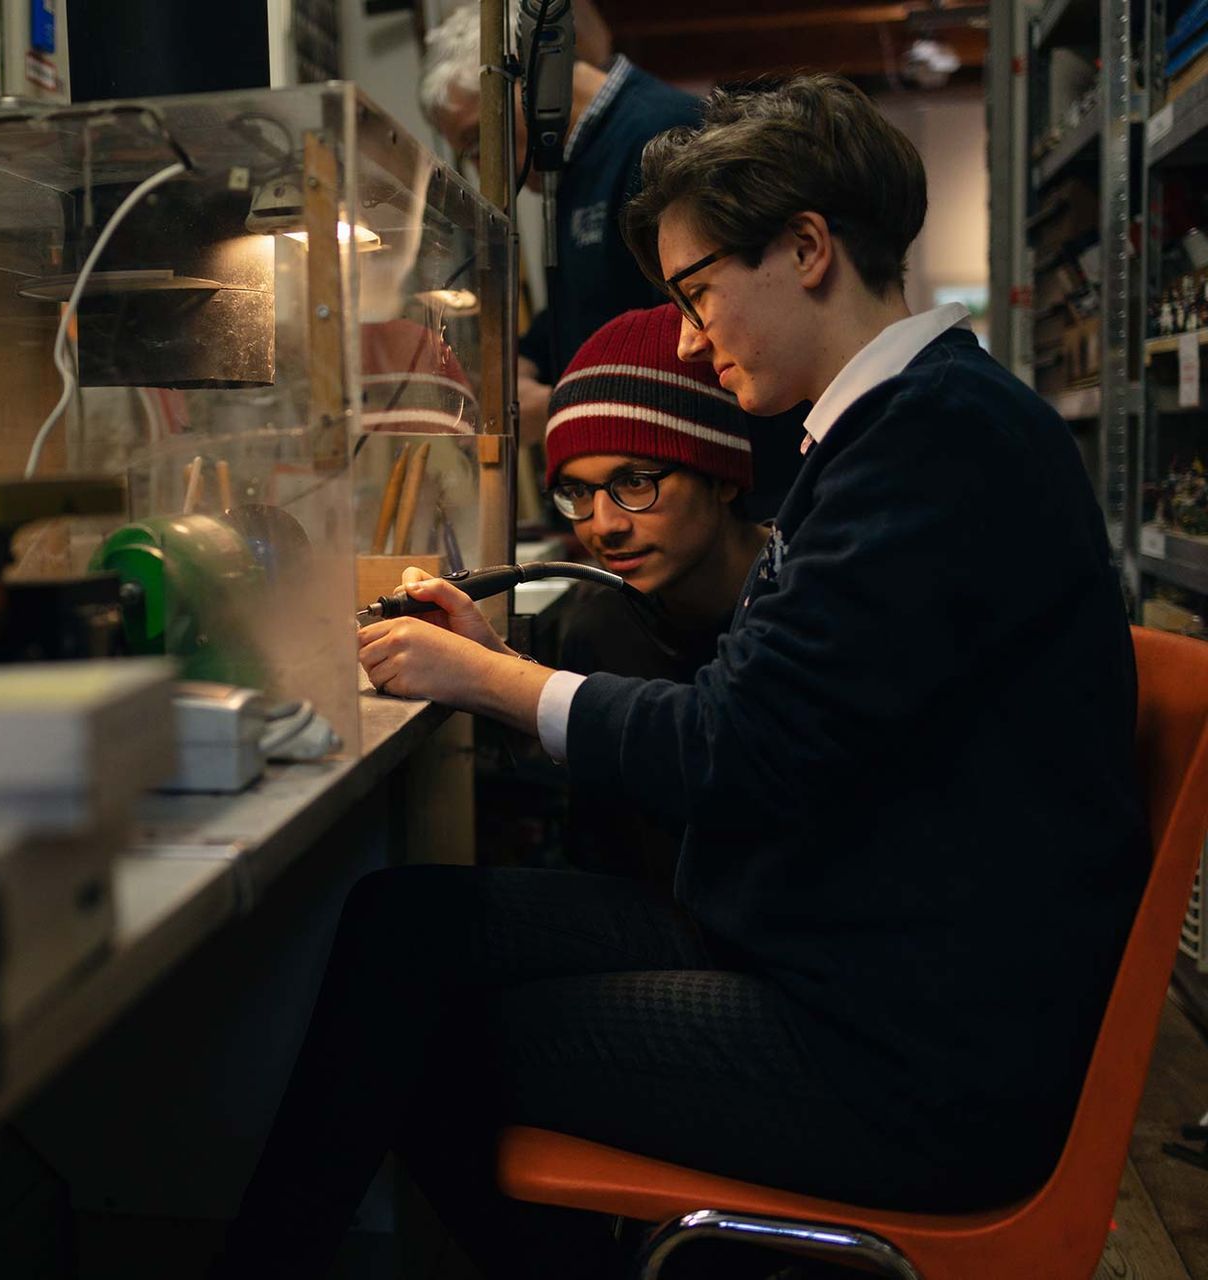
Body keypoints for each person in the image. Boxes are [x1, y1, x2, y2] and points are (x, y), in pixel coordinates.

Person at [210, 74, 1146, 1280]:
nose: (695, 341)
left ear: (808, 248)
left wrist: (489, 680)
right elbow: (771, 712)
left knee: (420, 1043)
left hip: (901, 1053)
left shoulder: (934, 441)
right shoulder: (891, 431)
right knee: (406, 927)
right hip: (825, 943)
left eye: (701, 294)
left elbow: (729, 747)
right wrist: (498, 662)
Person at [540, 302, 773, 889]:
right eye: (577, 492)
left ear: (722, 476)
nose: (602, 526)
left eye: (634, 483)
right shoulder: (600, 632)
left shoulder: (797, 598)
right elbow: (603, 863)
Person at [419, 2, 701, 446]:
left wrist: (559, 408)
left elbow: (691, 340)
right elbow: (593, 308)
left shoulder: (663, 136)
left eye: (478, 139)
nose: (482, 169)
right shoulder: (571, 163)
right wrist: (526, 361)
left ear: (535, 77)